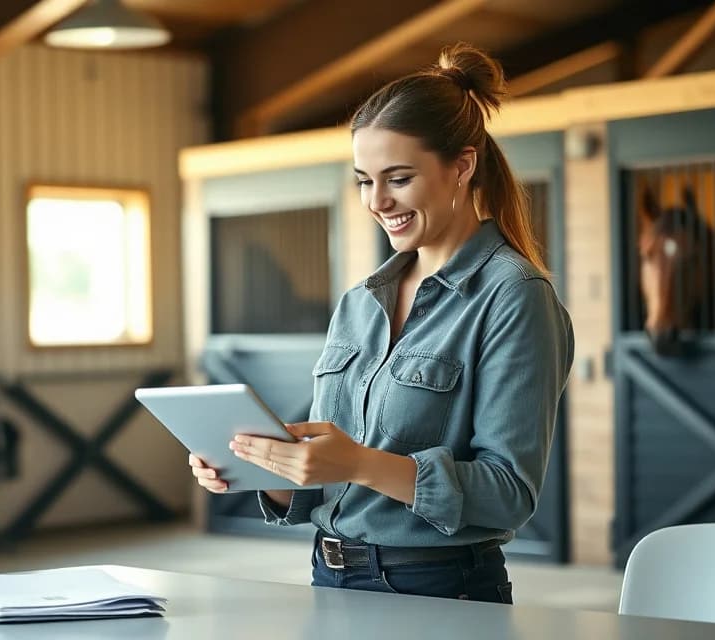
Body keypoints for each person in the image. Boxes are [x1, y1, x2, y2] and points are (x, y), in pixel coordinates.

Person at [189, 42, 574, 603]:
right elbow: (334, 469)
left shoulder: (514, 297)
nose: (377, 201)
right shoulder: (359, 302)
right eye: (365, 180)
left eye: (398, 178)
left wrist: (362, 463)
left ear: (462, 166)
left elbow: (508, 492)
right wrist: (263, 470)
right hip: (331, 573)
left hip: (440, 587)